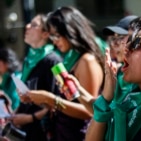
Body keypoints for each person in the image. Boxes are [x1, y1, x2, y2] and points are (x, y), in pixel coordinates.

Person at [25, 6, 104, 141]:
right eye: (51, 36)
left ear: (70, 31)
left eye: (57, 35)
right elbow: (67, 102)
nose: (54, 41)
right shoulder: (69, 59)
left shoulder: (87, 61)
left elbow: (89, 111)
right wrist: (41, 100)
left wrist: (50, 99)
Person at [9, 14, 62, 141]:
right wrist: (14, 114)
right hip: (27, 131)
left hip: (42, 132)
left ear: (45, 34)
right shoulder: (29, 59)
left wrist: (29, 118)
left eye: (33, 25)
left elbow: (57, 101)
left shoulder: (53, 60)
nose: (27, 26)